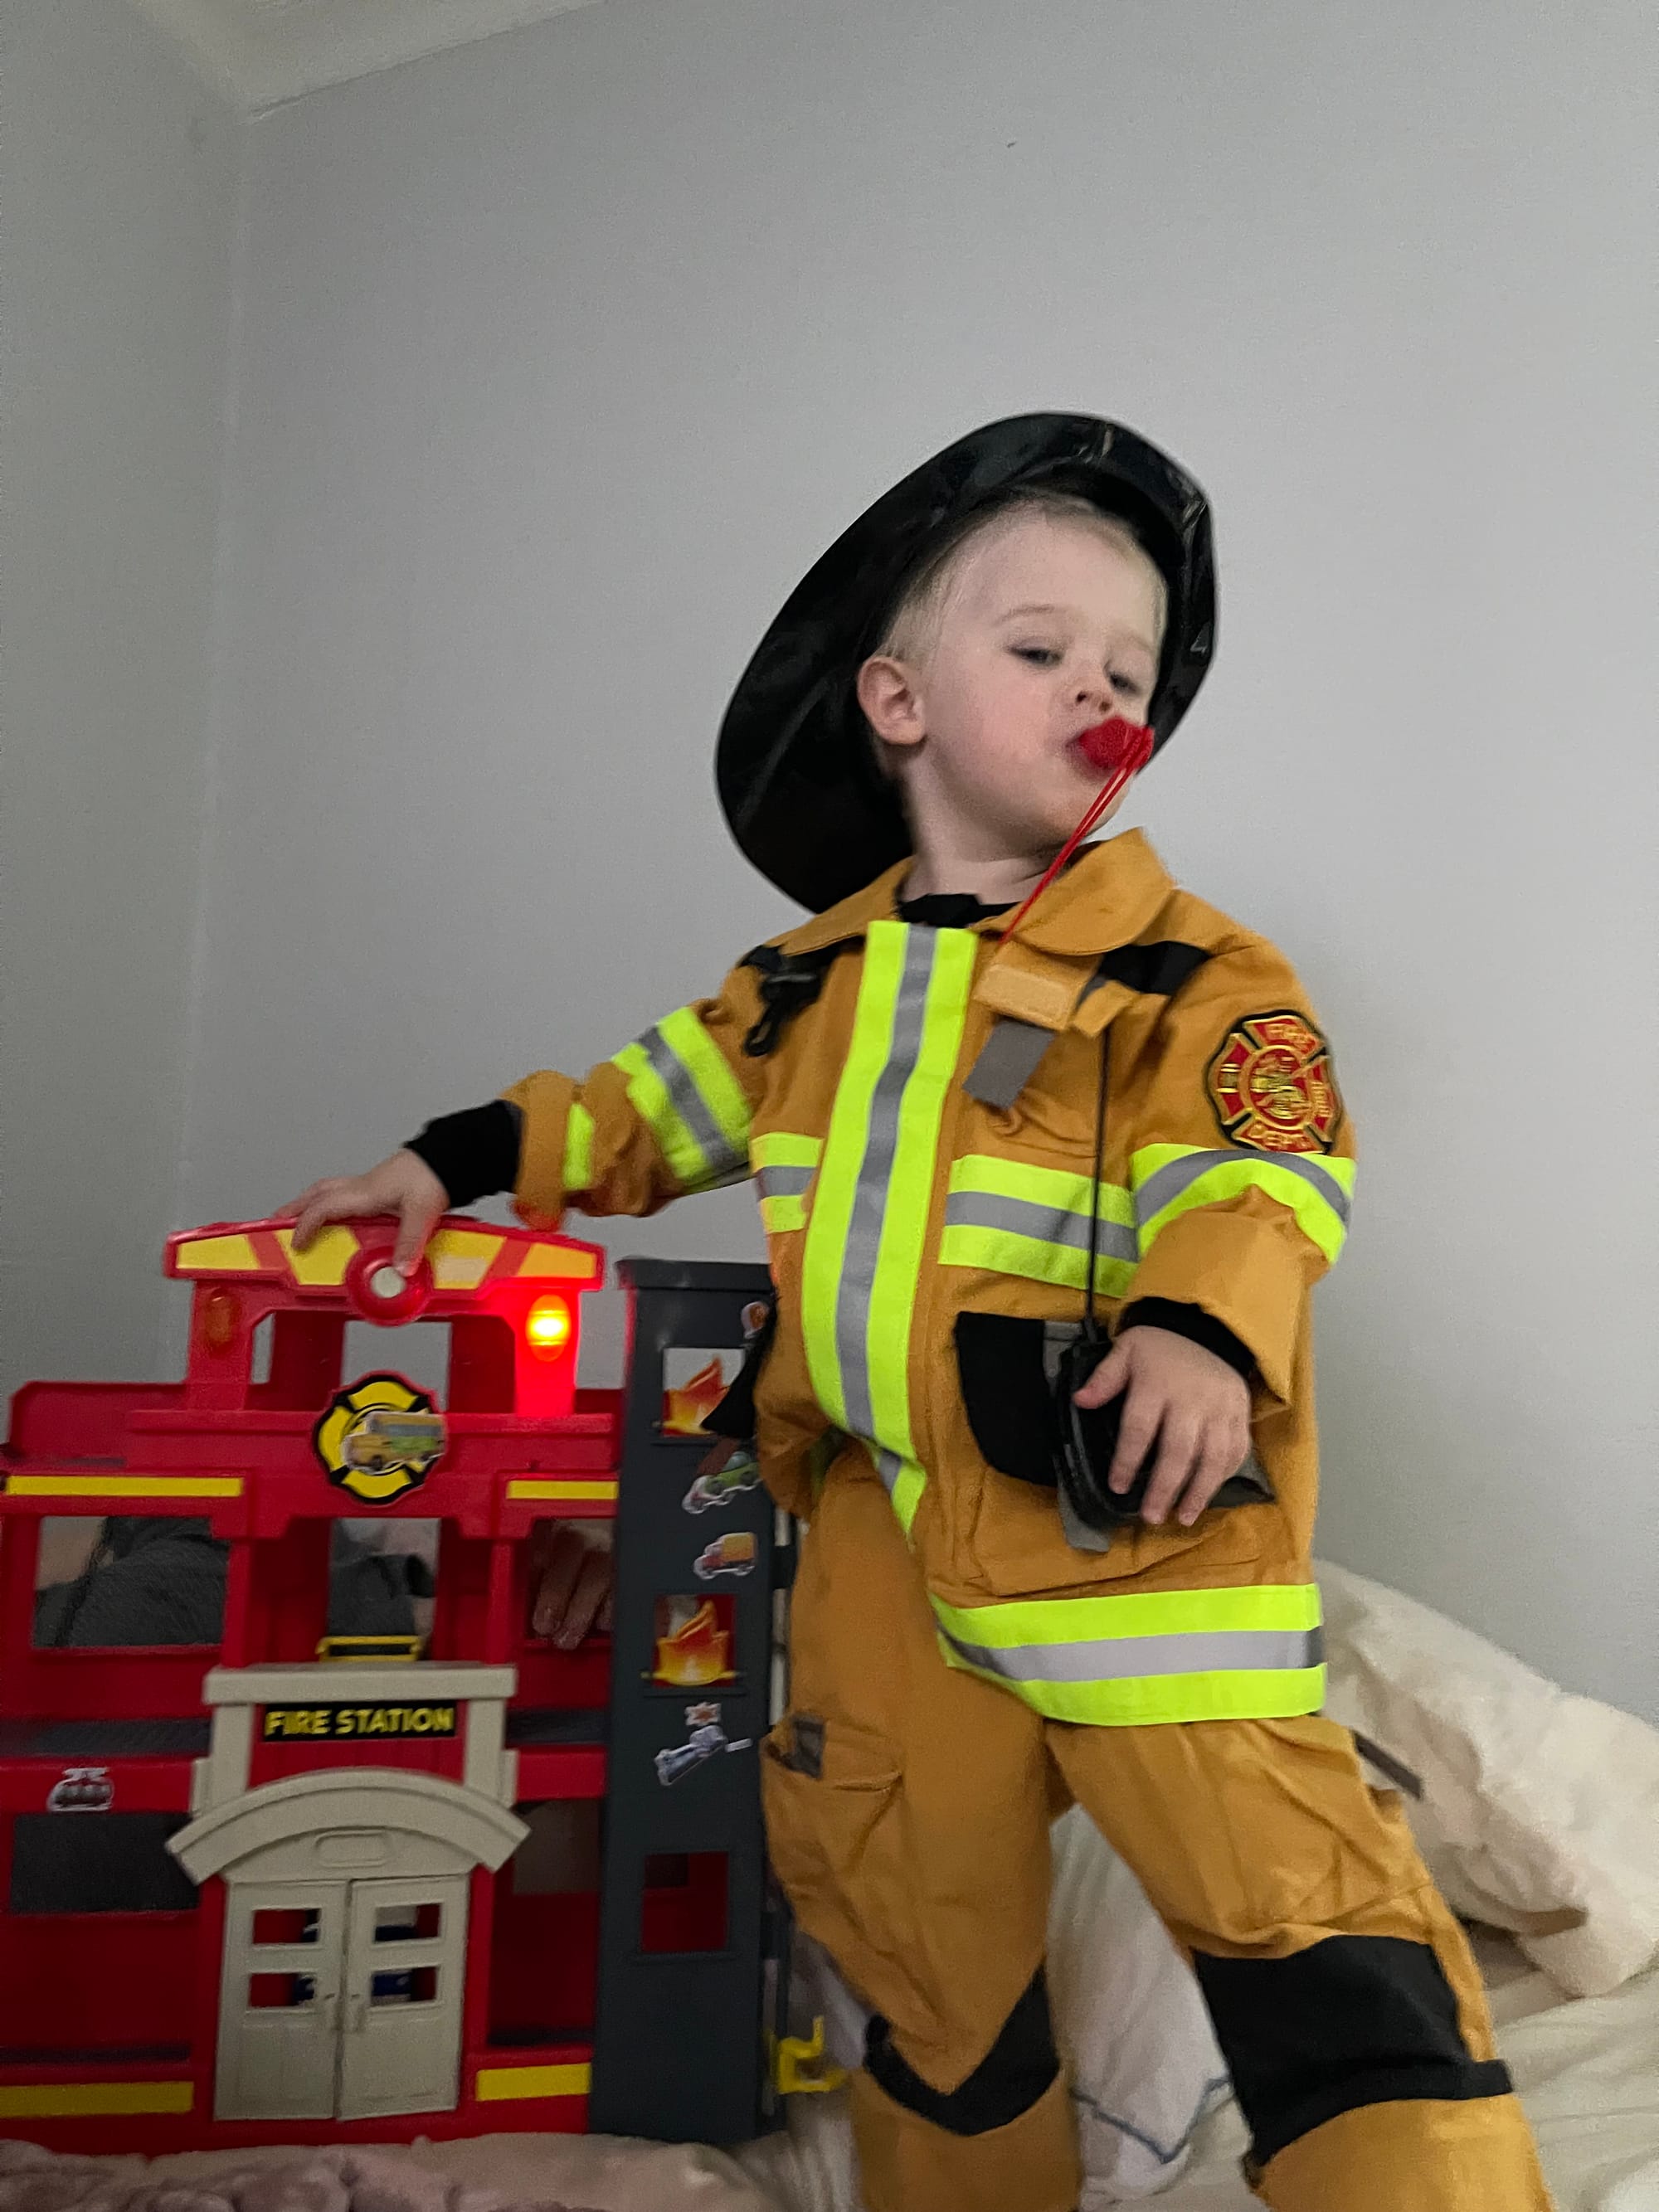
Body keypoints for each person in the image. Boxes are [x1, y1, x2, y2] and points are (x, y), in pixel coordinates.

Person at [286, 416, 1550, 2212]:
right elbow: (630, 1112)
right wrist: (446, 1160)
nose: (1100, 692)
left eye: (1130, 674)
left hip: (1132, 1540)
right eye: (1041, 650)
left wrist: (1200, 1329)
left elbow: (1260, 1168)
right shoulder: (799, 990)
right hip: (881, 1540)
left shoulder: (1190, 970)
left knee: (1302, 1921)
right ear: (897, 701)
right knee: (915, 1937)